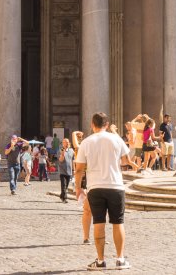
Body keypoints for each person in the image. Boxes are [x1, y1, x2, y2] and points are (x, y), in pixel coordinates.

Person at [75, 112, 133, 271]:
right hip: (115, 186)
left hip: (95, 187)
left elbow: (79, 169)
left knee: (98, 223)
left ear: (92, 125)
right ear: (107, 125)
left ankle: (100, 261)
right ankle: (120, 259)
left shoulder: (86, 142)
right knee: (118, 222)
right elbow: (125, 161)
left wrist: (78, 188)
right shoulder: (116, 139)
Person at [58, 137, 75, 202]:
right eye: (65, 142)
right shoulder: (60, 150)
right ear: (63, 144)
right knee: (64, 185)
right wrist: (62, 154)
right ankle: (64, 198)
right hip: (62, 171)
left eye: (68, 142)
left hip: (69, 171)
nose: (67, 143)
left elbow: (73, 160)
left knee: (66, 186)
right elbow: (60, 160)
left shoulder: (71, 150)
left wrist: (74, 169)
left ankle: (61, 195)